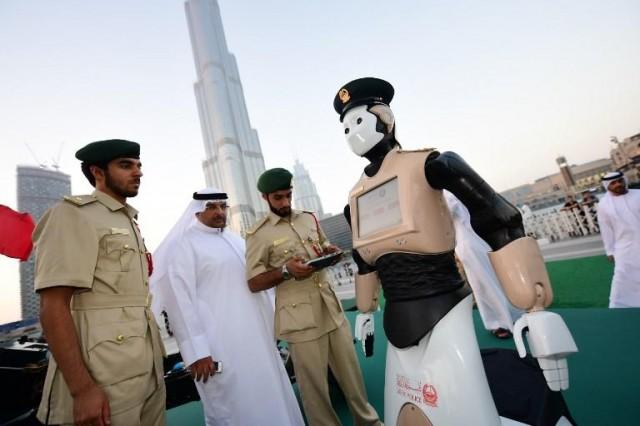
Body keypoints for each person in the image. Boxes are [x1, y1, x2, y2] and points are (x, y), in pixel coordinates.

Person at [334, 77, 577, 425]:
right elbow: (363, 260)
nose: (352, 132)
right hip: (396, 316)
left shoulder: (430, 164)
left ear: (384, 118)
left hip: (443, 304)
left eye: (358, 121)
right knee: (403, 402)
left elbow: (500, 218)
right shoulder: (356, 198)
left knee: (464, 402)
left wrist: (535, 308)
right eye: (345, 128)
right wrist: (367, 311)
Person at [33, 139, 165, 426]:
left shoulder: (128, 221)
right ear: (98, 172)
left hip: (145, 368)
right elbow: (53, 305)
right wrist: (82, 390)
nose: (138, 172)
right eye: (126, 165)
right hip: (104, 376)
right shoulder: (73, 214)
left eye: (139, 165)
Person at [150, 187, 304, 426]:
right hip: (219, 347)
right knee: (233, 405)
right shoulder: (184, 245)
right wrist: (197, 352)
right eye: (211, 207)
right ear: (198, 210)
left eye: (222, 206)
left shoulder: (235, 239)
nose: (219, 212)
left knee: (270, 394)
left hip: (257, 339)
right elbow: (180, 303)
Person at [245, 168, 381, 426]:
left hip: (330, 309)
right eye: (278, 198)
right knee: (315, 391)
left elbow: (322, 244)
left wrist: (330, 250)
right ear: (265, 198)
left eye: (288, 195)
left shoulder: (308, 218)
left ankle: (370, 424)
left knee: (353, 379)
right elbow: (253, 282)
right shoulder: (258, 235)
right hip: (300, 321)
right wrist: (286, 271)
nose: (285, 202)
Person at [444, 191, 522, 339]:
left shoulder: (450, 192)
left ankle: (512, 317)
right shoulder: (447, 193)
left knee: (491, 280)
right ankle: (500, 321)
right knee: (482, 284)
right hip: (468, 241)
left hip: (477, 239)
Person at [596, 171, 640, 308]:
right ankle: (620, 306)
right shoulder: (603, 205)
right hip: (624, 247)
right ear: (607, 186)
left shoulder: (638, 194)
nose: (618, 184)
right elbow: (606, 228)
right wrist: (609, 250)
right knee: (621, 277)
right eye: (613, 183)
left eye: (620, 181)